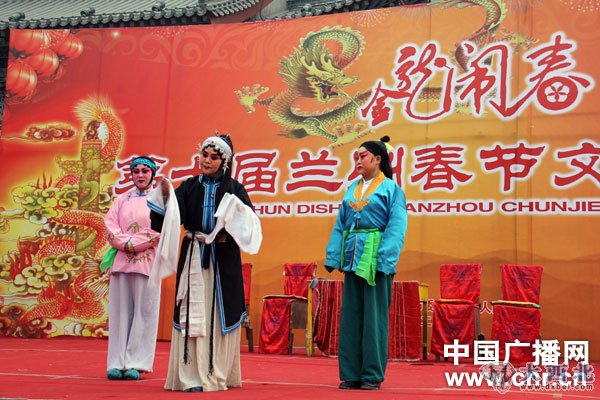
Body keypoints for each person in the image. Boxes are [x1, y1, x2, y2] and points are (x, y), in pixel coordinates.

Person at [149, 134, 259, 393]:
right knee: (191, 311)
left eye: (213, 157)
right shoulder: (189, 187)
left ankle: (216, 372)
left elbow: (249, 224)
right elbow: (170, 217)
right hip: (194, 256)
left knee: (219, 314)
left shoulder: (235, 189)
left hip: (223, 259)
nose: (206, 160)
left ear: (224, 162)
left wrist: (230, 224)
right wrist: (163, 199)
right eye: (204, 155)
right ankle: (190, 376)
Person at [324, 136, 408, 390]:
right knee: (351, 318)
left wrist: (384, 259)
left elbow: (397, 227)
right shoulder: (352, 188)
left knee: (374, 319)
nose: (358, 161)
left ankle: (371, 375)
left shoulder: (392, 189)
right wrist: (334, 255)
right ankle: (351, 373)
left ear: (378, 159)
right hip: (353, 257)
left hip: (375, 258)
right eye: (356, 157)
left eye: (363, 156)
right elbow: (341, 224)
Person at [104, 156, 161, 380]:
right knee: (120, 313)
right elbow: (110, 226)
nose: (140, 175)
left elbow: (158, 230)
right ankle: (116, 362)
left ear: (152, 174)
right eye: (136, 171)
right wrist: (125, 244)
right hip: (121, 262)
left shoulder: (160, 200)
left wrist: (132, 244)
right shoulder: (121, 200)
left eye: (145, 171)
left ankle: (137, 362)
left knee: (144, 313)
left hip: (147, 262)